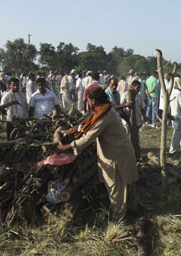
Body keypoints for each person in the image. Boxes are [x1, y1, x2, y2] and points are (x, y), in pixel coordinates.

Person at [57, 87, 139, 221]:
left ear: (93, 101)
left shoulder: (105, 114)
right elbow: (87, 125)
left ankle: (118, 220)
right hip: (120, 151)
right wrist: (71, 131)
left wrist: (67, 147)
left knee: (116, 188)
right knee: (126, 183)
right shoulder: (102, 111)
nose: (87, 102)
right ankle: (132, 212)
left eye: (88, 100)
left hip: (118, 154)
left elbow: (89, 136)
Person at [168, 77, 181, 155]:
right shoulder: (178, 93)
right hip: (178, 115)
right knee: (177, 133)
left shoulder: (170, 92)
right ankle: (173, 150)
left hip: (173, 113)